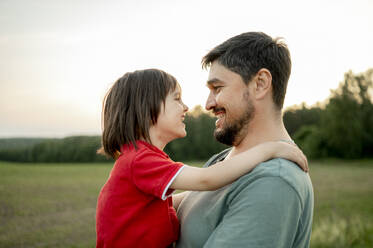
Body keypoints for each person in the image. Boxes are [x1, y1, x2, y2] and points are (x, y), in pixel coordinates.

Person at [95, 69, 308, 248]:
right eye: (176, 99)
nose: (186, 107)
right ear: (147, 109)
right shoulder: (139, 161)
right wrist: (269, 150)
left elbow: (166, 202)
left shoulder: (140, 158)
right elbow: (206, 179)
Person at [176, 32, 314, 248]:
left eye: (217, 88)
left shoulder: (274, 182)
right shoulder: (224, 160)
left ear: (260, 83)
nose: (208, 104)